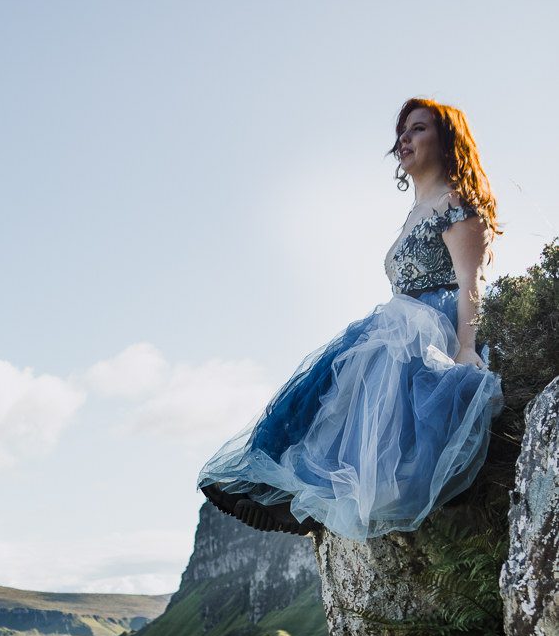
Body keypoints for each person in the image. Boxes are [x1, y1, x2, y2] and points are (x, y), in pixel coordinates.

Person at [198, 97, 504, 541]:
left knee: (375, 411)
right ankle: (277, 493)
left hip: (429, 329)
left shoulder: (455, 202)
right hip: (396, 323)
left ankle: (297, 505)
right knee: (324, 396)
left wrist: (464, 347)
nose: (404, 138)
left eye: (418, 129)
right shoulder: (415, 212)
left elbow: (470, 280)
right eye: (402, 130)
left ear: (447, 140)